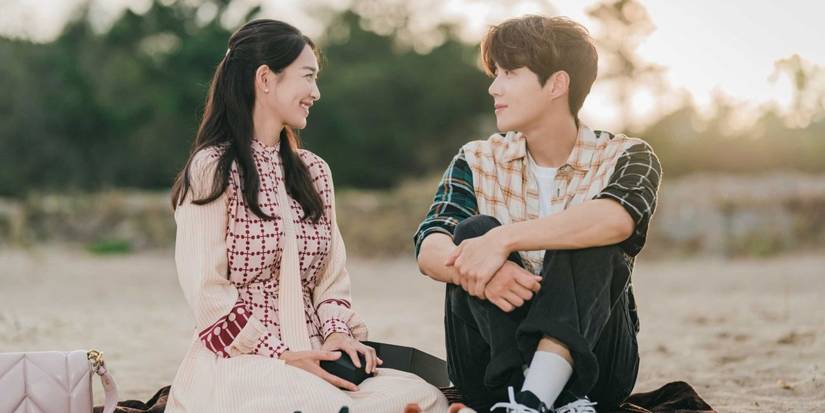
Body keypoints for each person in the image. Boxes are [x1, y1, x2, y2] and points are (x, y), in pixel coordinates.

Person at [167, 19, 447, 413]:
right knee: (309, 404)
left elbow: (332, 280)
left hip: (319, 358)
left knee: (421, 396)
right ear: (265, 79)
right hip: (243, 362)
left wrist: (336, 336)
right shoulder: (211, 169)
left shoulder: (314, 171)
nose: (316, 92)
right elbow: (207, 293)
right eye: (308, 77)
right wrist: (282, 354)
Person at [414, 15, 662, 413]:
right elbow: (430, 247)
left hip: (596, 373)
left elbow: (617, 220)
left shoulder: (628, 155)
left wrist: (503, 240)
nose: (494, 87)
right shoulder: (477, 159)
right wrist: (485, 273)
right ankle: (528, 398)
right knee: (473, 228)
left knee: (589, 227)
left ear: (557, 84)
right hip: (491, 370)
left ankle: (534, 399)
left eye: (509, 72)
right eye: (495, 73)